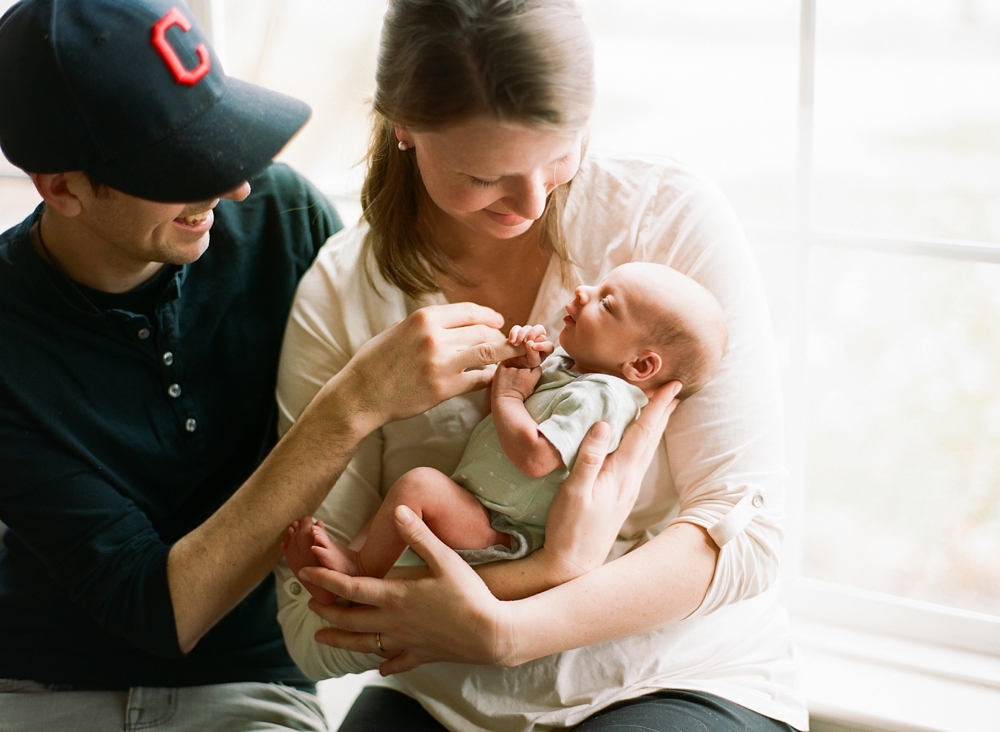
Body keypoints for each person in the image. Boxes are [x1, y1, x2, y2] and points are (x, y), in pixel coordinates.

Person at [0, 1, 674, 729]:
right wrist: (354, 402)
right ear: (60, 186)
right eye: (181, 167)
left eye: (222, 143)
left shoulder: (282, 220)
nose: (233, 189)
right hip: (43, 688)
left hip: (252, 685)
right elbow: (159, 612)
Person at [273, 1, 809, 731]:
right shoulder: (342, 296)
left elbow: (747, 538)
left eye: (560, 152)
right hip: (441, 698)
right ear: (402, 121)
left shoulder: (663, 222)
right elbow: (311, 635)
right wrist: (524, 584)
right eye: (484, 174)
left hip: (670, 674)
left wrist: (510, 628)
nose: (534, 199)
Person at [282, 262, 727, 598]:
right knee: (398, 507)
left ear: (641, 365)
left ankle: (359, 570)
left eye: (607, 303)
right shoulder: (577, 373)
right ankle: (347, 567)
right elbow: (532, 395)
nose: (583, 291)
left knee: (417, 486)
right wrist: (526, 361)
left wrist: (508, 397)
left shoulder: (605, 396)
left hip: (505, 531)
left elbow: (536, 456)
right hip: (484, 509)